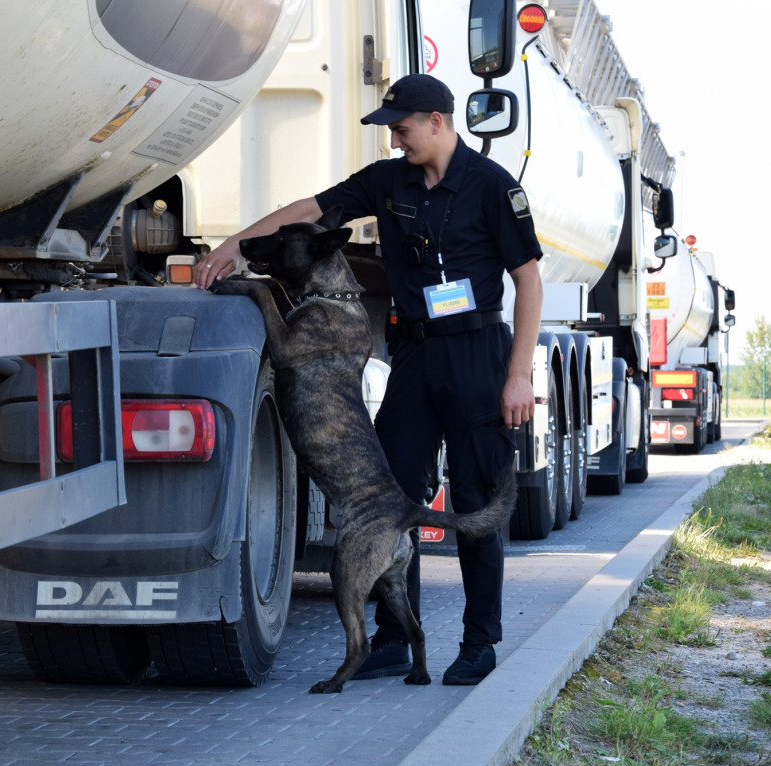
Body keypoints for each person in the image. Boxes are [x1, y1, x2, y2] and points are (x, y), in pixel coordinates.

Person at [194, 73, 543, 686]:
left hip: (475, 356)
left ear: (436, 121)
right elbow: (309, 211)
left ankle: (479, 642)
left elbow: (529, 281)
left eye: (401, 129)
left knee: (474, 495)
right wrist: (233, 244)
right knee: (392, 493)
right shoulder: (388, 181)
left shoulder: (493, 187)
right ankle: (390, 642)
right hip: (413, 354)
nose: (395, 141)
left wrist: (518, 375)